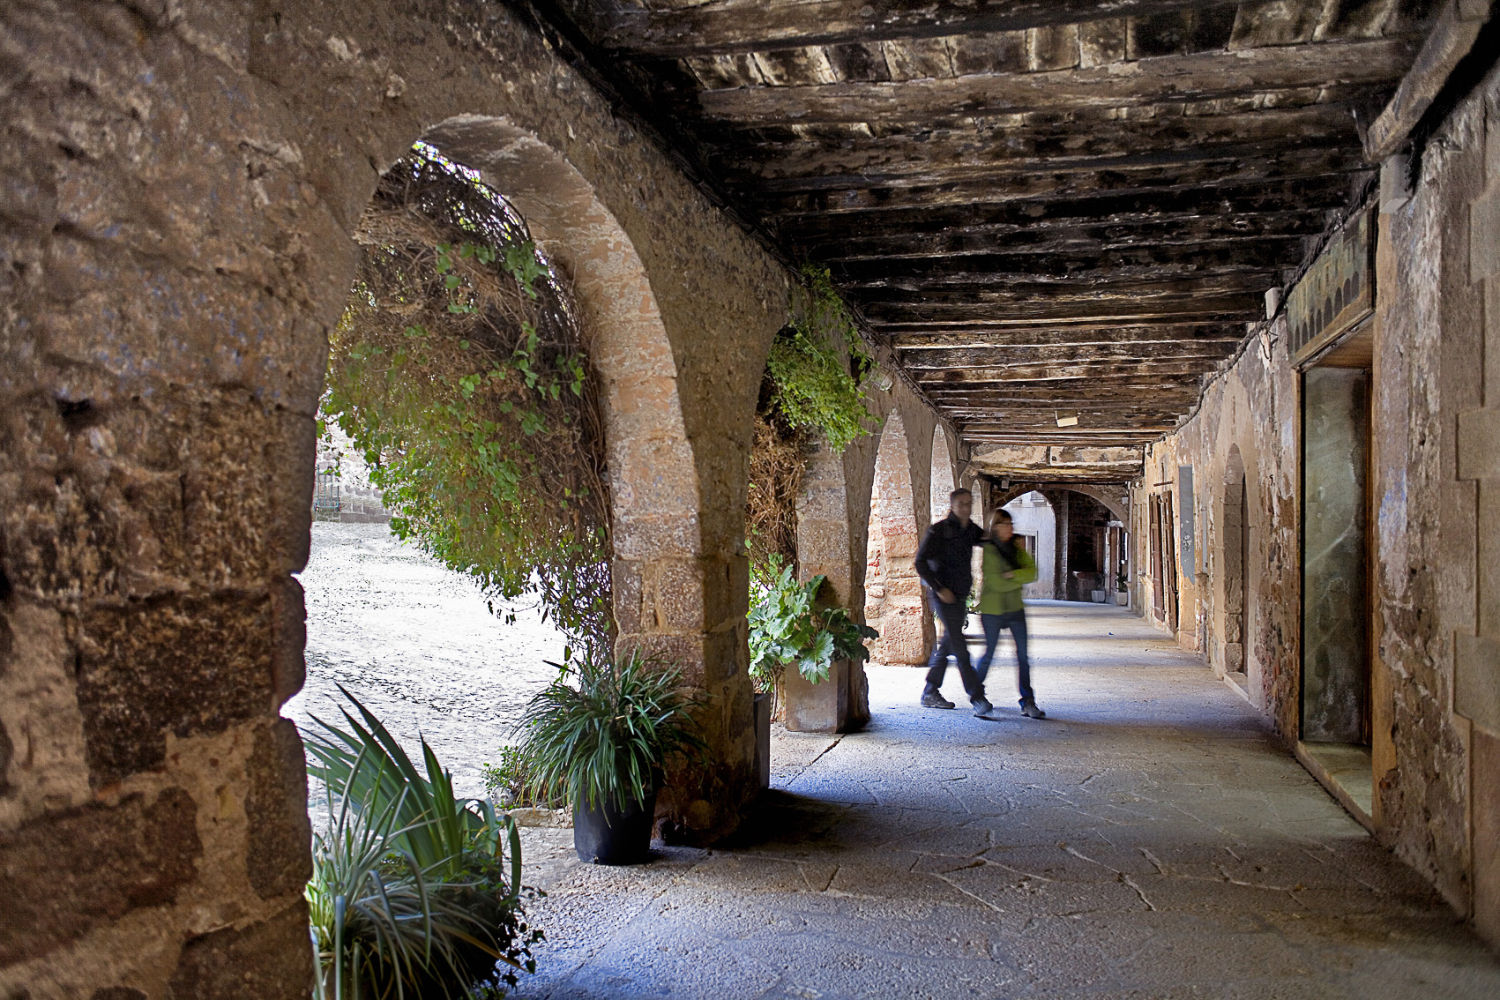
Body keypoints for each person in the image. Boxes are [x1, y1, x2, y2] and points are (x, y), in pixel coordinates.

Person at [914, 488, 992, 715]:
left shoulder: (969, 530)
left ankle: (930, 691)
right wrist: (938, 588)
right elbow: (920, 563)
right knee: (959, 647)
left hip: (959, 596)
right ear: (953, 506)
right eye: (962, 504)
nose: (966, 508)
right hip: (943, 595)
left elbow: (987, 540)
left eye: (969, 503)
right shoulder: (938, 531)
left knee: (949, 641)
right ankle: (977, 697)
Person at [975, 508, 1046, 719]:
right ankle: (977, 697)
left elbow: (1032, 572)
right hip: (992, 610)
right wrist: (1015, 579)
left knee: (1023, 656)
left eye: (1011, 524)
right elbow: (995, 582)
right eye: (1005, 525)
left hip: (1015, 609)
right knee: (988, 655)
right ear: (995, 528)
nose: (1010, 528)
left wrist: (1011, 575)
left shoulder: (1016, 548)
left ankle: (1027, 700)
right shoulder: (989, 550)